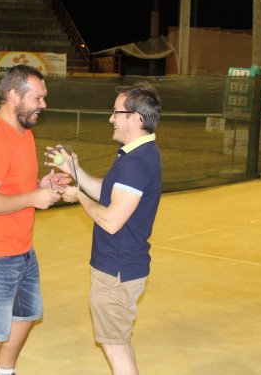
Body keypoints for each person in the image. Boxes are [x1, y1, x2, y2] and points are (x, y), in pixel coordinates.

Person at [0, 65, 68, 375]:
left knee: (26, 314)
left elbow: (17, 187)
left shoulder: (24, 133)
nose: (43, 105)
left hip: (21, 246)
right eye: (38, 98)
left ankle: (5, 372)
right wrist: (33, 199)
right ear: (12, 95)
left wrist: (42, 187)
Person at [48, 83, 162, 375]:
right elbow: (109, 193)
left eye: (116, 113)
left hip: (117, 271)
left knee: (116, 346)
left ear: (136, 119)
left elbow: (111, 220)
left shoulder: (135, 163)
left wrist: (78, 197)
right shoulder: (137, 155)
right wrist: (74, 170)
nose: (111, 118)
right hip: (122, 267)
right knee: (118, 342)